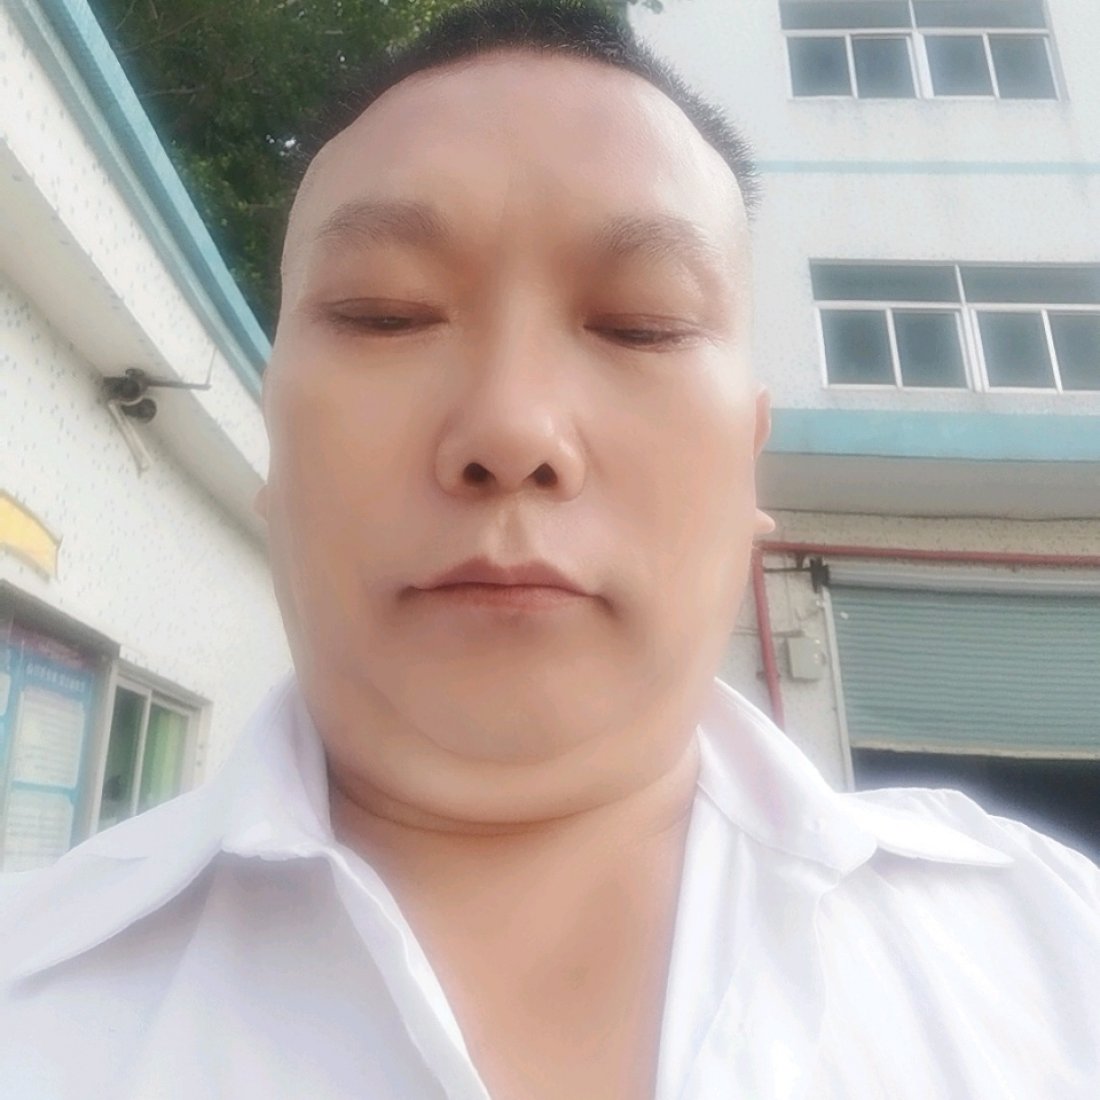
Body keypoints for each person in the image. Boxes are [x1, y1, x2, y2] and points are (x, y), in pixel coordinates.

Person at [2, 1, 1098, 1097]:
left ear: (748, 462)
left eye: (640, 325)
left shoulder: (1049, 954)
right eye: (387, 313)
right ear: (273, 444)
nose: (511, 428)